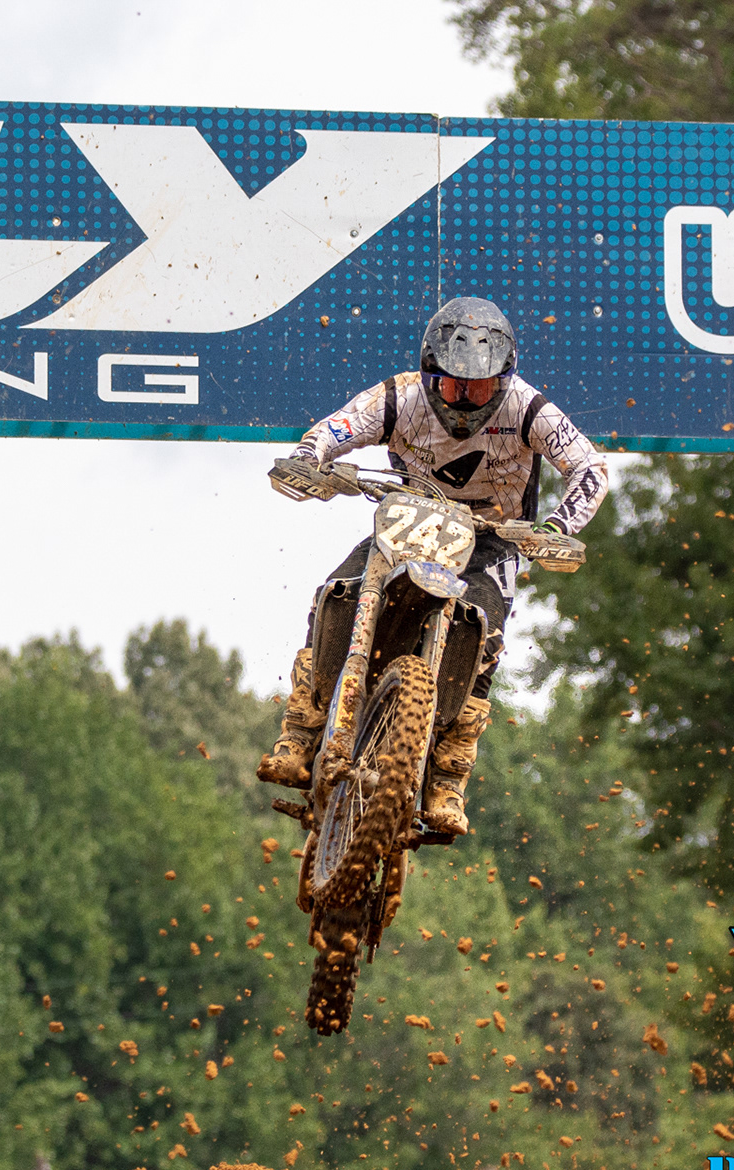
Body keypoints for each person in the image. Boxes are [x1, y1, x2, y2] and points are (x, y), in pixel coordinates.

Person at [256, 296, 609, 835]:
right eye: (452, 385)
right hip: (408, 526)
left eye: (480, 388)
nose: (465, 399)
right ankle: (300, 732)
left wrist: (557, 527)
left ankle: (448, 778)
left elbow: (590, 468)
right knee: (336, 591)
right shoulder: (398, 397)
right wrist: (310, 460)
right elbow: (333, 429)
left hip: (491, 542)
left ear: (503, 381)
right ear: (429, 374)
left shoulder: (529, 408)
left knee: (485, 636)